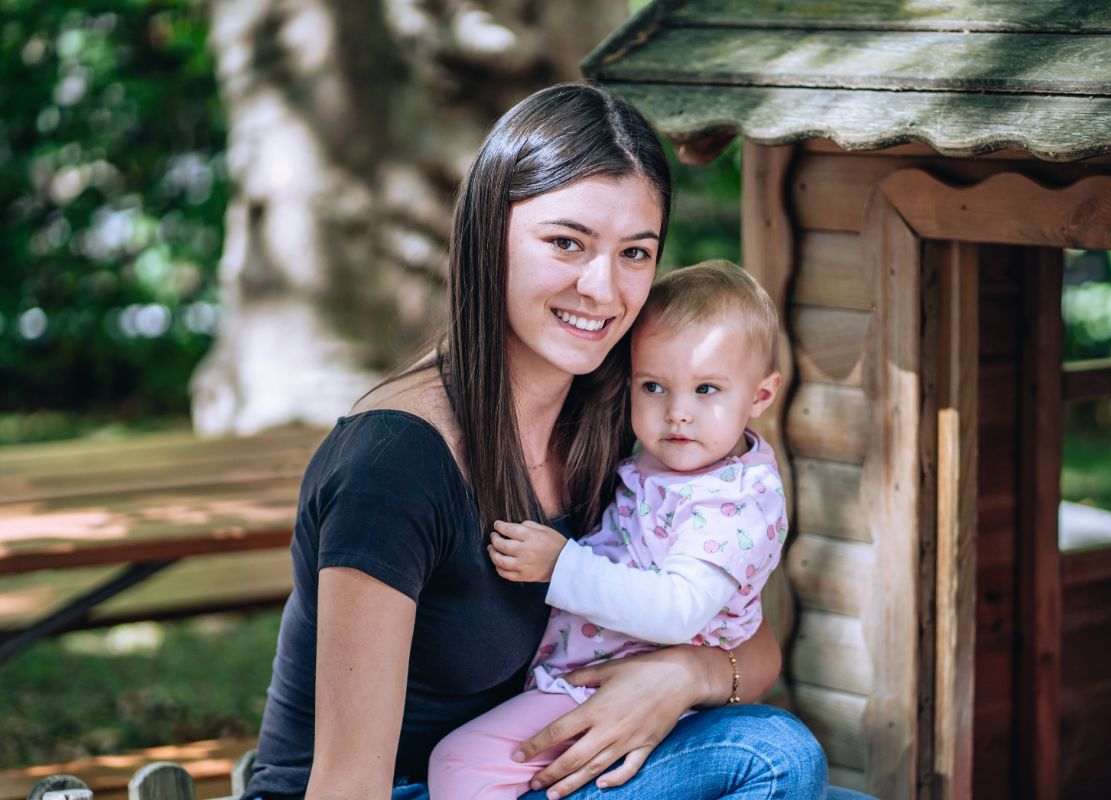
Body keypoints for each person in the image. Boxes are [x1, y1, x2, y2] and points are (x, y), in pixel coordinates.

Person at [241, 83, 829, 800]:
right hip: (407, 788)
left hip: (538, 768)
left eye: (635, 252)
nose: (601, 287)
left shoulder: (634, 416)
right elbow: (345, 785)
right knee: (772, 756)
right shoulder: (394, 465)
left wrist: (678, 677)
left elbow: (752, 646)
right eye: (566, 242)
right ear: (492, 233)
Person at [427, 261, 794, 799]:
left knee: (463, 764)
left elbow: (677, 610)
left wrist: (562, 567)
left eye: (707, 389)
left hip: (618, 683)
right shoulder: (678, 468)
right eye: (654, 386)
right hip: (603, 673)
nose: (677, 414)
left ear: (761, 397)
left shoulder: (732, 504)